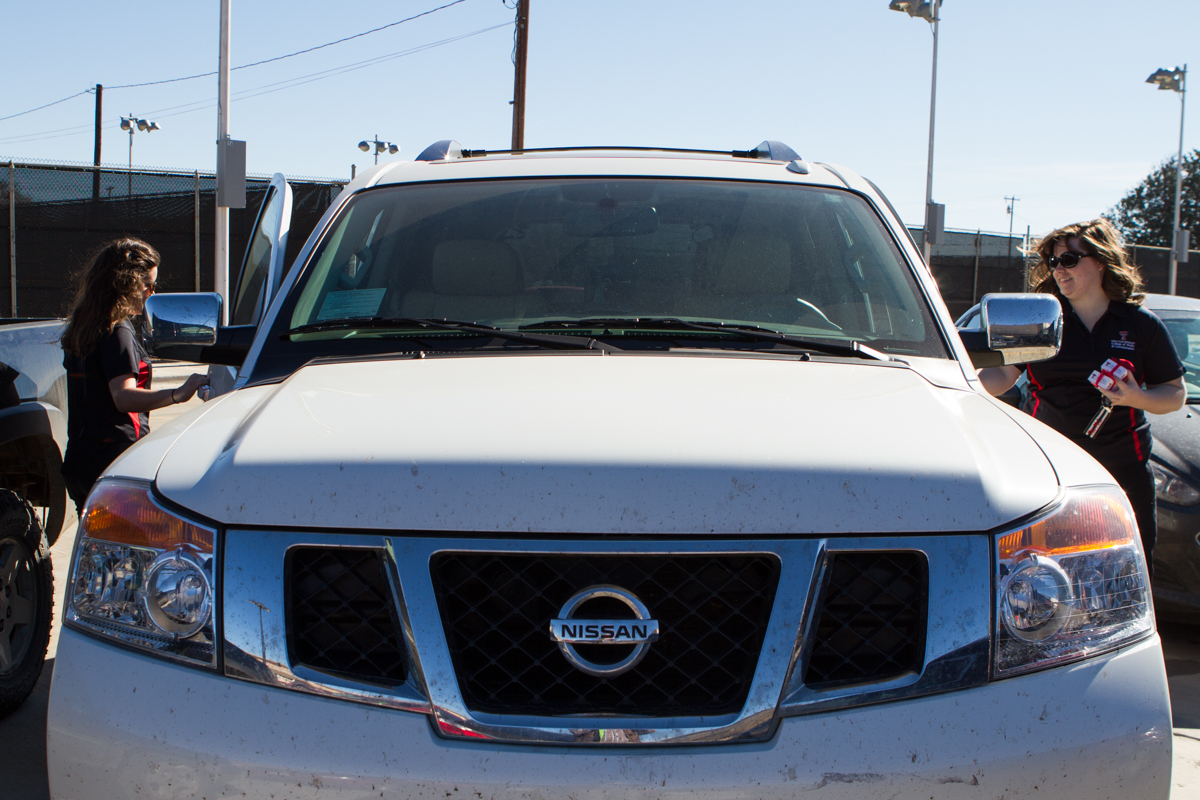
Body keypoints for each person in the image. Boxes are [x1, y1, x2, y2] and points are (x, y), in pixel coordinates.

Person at [978, 219, 1185, 568]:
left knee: (1128, 571)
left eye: (1069, 260)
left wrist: (1136, 398)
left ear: (1101, 261)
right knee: (1051, 573)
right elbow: (1002, 375)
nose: (1059, 270)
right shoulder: (1044, 322)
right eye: (1054, 262)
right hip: (1053, 469)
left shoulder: (1140, 324)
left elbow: (1175, 394)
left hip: (1123, 470)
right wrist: (961, 380)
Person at [59, 238, 208, 515]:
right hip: (114, 460)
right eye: (147, 284)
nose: (151, 293)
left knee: (95, 550)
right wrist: (178, 394)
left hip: (80, 460)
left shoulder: (83, 327)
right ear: (126, 283)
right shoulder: (118, 331)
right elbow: (123, 396)